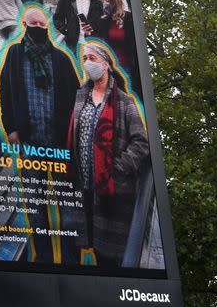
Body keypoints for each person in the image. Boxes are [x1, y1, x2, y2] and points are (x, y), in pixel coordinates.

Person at [0, 7, 79, 263]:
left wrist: (73, 136)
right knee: (35, 207)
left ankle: (71, 260)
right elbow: (5, 91)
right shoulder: (14, 54)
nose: (39, 28)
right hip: (30, 145)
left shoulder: (62, 59)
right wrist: (10, 127)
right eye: (34, 23)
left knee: (68, 209)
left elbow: (77, 98)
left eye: (43, 25)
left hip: (60, 145)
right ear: (24, 24)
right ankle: (42, 258)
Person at [66, 42, 149, 268]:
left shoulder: (123, 101)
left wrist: (117, 168)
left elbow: (141, 142)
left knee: (108, 259)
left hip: (111, 190)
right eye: (84, 59)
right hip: (83, 188)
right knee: (87, 245)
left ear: (105, 64)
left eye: (92, 58)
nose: (87, 63)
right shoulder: (80, 97)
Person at [94, 0, 139, 94]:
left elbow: (134, 43)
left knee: (126, 99)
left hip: (125, 67)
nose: (105, 4)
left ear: (115, 1)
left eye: (107, 0)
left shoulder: (129, 18)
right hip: (108, 68)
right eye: (103, 1)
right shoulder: (103, 21)